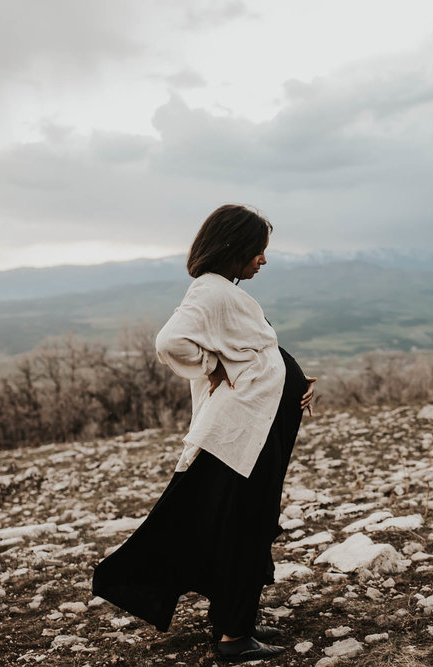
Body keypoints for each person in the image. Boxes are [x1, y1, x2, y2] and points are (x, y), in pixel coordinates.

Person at [92, 204, 316, 662]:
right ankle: (234, 638)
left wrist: (293, 379)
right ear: (234, 248)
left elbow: (253, 347)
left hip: (253, 432)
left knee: (245, 524)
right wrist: (215, 366)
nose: (263, 260)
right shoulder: (210, 292)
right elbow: (169, 342)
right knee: (241, 527)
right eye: (258, 251)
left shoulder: (223, 292)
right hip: (238, 437)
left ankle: (234, 622)